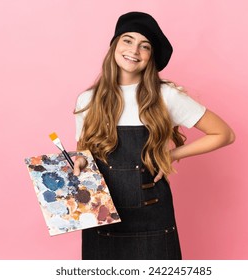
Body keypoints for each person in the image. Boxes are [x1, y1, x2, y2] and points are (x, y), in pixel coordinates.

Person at [73, 11, 235, 260]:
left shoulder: (165, 96)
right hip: (101, 216)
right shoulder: (88, 100)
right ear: (115, 44)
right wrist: (80, 160)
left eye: (144, 46)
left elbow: (224, 134)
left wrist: (170, 155)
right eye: (127, 40)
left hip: (151, 218)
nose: (134, 50)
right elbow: (83, 149)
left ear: (151, 57)